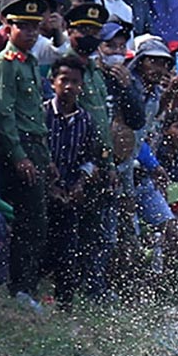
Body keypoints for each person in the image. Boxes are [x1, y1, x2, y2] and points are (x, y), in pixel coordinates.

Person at [0, 0, 51, 310]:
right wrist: (20, 155)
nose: (30, 32)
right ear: (8, 26)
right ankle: (18, 287)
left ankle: (28, 285)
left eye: (34, 26)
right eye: (23, 26)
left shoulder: (31, 62)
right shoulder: (5, 64)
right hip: (21, 147)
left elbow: (37, 112)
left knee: (37, 221)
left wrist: (46, 158)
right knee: (26, 221)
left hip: (37, 146)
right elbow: (4, 113)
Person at [43, 54, 108, 305]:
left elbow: (90, 158)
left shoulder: (85, 120)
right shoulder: (42, 113)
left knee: (69, 249)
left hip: (72, 193)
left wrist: (81, 182)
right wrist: (49, 185)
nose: (69, 86)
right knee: (40, 243)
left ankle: (65, 303)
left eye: (75, 81)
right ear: (53, 82)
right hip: (44, 191)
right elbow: (35, 152)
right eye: (64, 80)